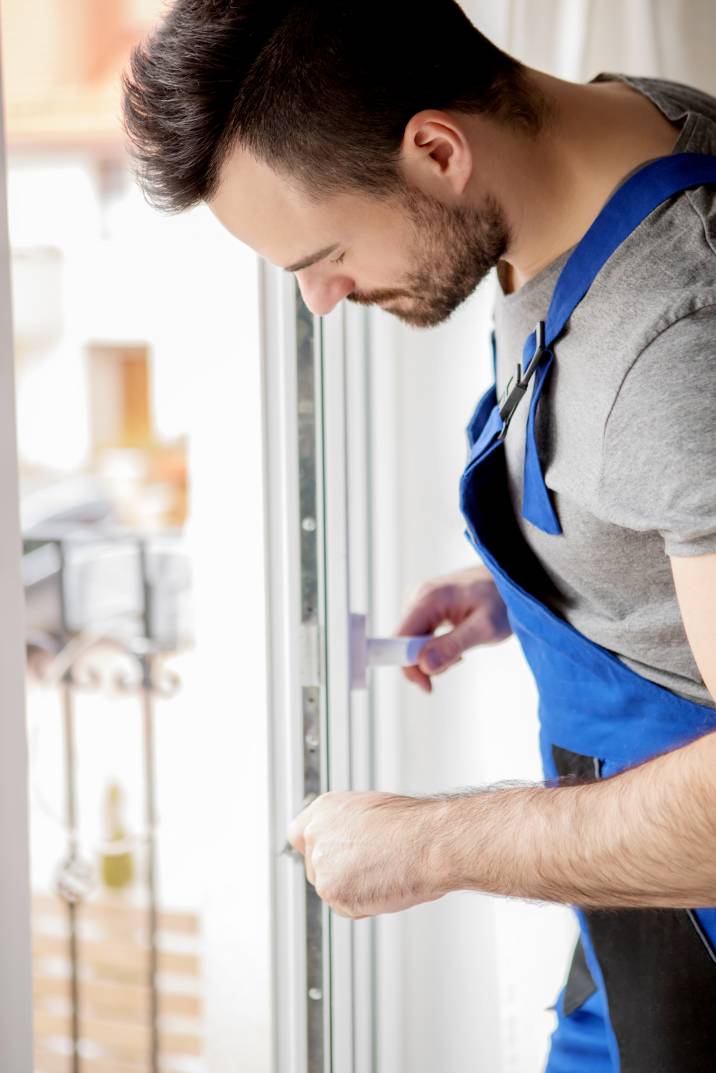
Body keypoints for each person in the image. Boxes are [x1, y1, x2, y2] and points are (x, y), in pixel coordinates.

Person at [120, 2, 716, 1069]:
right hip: (628, 923)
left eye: (325, 252)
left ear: (436, 148)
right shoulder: (626, 129)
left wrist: (423, 844)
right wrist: (555, 572)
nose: (320, 300)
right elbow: (662, 491)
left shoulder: (679, 343)